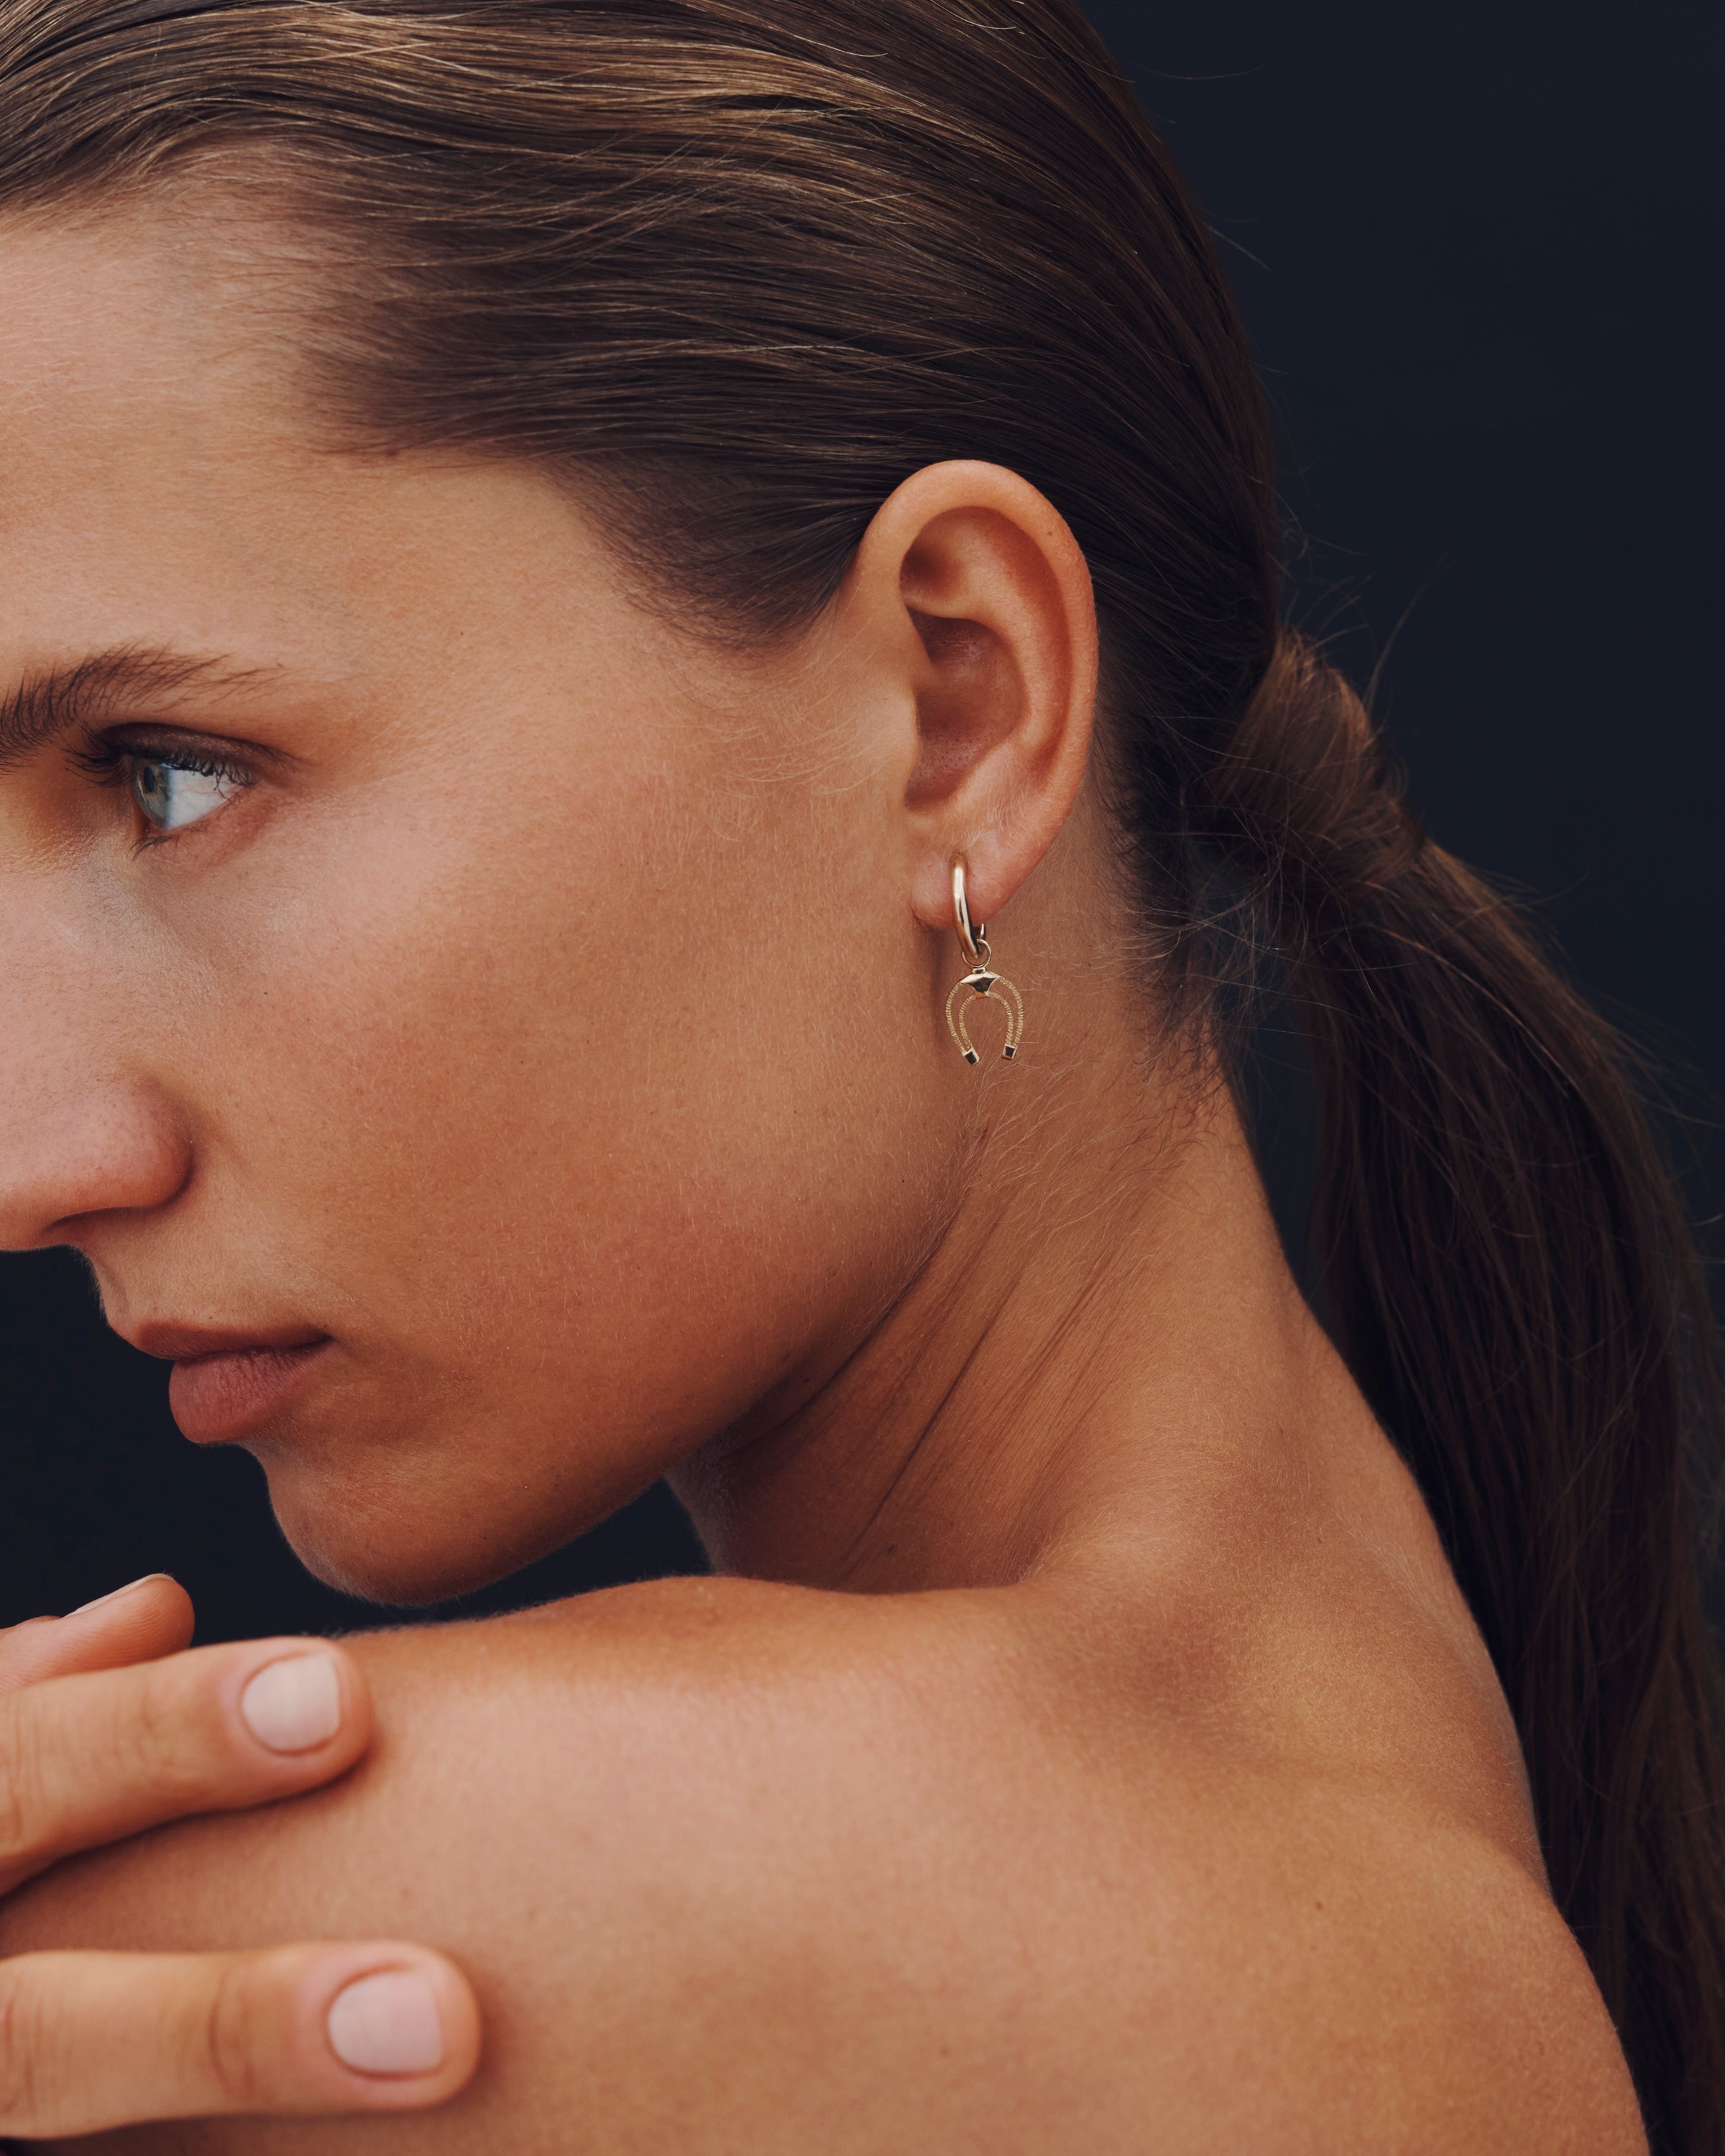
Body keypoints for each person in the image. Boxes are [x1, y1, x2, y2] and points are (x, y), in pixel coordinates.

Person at [0, 0, 1719, 2147]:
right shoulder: (1355, 1838)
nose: (34, 1159)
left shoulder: (467, 1919)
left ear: (954, 709)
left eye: (171, 777)